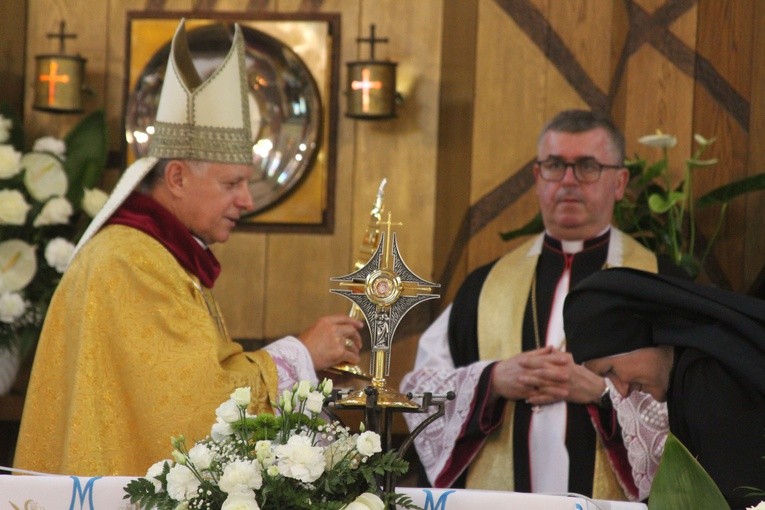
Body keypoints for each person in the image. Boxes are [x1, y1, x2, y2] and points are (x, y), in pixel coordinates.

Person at [13, 19, 363, 477]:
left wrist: (305, 369)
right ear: (176, 177)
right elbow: (196, 409)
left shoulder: (158, 256)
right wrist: (301, 354)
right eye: (232, 183)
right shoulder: (130, 262)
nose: (247, 200)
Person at [400, 109, 686, 501]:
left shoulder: (661, 285)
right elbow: (419, 394)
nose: (568, 182)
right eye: (554, 166)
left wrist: (604, 394)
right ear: (538, 178)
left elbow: (694, 405)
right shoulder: (483, 287)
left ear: (619, 183)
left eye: (587, 166)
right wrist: (493, 380)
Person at [564, 267, 765, 510]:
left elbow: (738, 498)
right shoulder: (696, 368)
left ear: (637, 339)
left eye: (611, 370)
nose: (622, 390)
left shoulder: (708, 377)